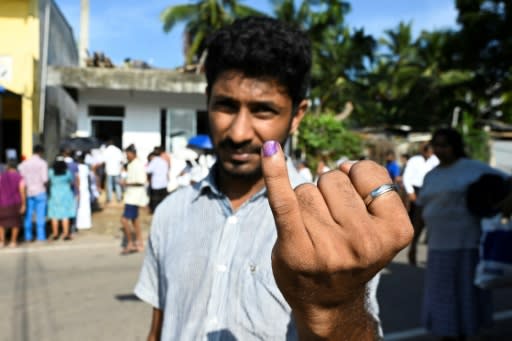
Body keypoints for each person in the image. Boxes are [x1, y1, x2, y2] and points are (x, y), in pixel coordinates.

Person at [134, 17, 412, 340]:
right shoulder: (171, 213)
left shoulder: (330, 229)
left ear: (297, 115)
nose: (238, 133)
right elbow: (158, 329)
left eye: (263, 110)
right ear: (207, 100)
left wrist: (335, 309)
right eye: (225, 106)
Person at [408, 128, 506, 340]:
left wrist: (499, 206)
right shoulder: (432, 175)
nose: (440, 150)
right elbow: (421, 211)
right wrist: (414, 243)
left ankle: (464, 332)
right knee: (442, 295)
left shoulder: (472, 169)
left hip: (467, 244)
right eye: (436, 145)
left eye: (445, 145)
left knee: (465, 295)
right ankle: (448, 333)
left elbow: (507, 182)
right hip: (437, 246)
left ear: (456, 146)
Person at [120, 144, 148, 254]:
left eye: (127, 154)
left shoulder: (138, 165)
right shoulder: (131, 164)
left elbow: (141, 181)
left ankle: (130, 242)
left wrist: (126, 183)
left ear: (132, 154)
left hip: (134, 197)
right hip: (131, 195)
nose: (126, 156)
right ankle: (139, 242)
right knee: (135, 220)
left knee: (124, 220)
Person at [18, 144, 48, 242]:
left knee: (28, 215)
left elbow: (21, 179)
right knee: (40, 215)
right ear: (41, 152)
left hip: (28, 192)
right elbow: (45, 179)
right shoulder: (43, 163)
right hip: (40, 191)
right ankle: (41, 236)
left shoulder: (24, 164)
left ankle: (28, 236)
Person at [47, 157, 77, 240]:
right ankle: (66, 234)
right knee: (65, 215)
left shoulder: (51, 172)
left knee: (54, 215)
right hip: (66, 195)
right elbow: (72, 181)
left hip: (54, 195)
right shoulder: (67, 172)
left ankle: (55, 234)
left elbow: (48, 182)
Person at [0, 159, 26, 247]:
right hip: (15, 203)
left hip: (2, 203)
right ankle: (13, 241)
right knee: (15, 222)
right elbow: (22, 191)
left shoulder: (1, 176)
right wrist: (24, 204)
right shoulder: (19, 177)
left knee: (1, 223)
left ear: (7, 167)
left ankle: (2, 241)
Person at [146, 147, 169, 213]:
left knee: (155, 200)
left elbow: (148, 170)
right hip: (164, 183)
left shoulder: (154, 161)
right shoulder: (164, 161)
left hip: (156, 184)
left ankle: (155, 211)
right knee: (163, 199)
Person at [103, 139, 124, 204]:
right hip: (117, 170)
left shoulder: (106, 150)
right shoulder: (118, 150)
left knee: (109, 185)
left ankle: (109, 199)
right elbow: (121, 160)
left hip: (109, 170)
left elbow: (103, 160)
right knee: (117, 184)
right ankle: (119, 198)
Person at [76, 153, 92, 229]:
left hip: (80, 189)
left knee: (79, 207)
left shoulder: (77, 167)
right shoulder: (86, 167)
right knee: (85, 207)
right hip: (84, 189)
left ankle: (79, 224)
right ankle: (86, 223)